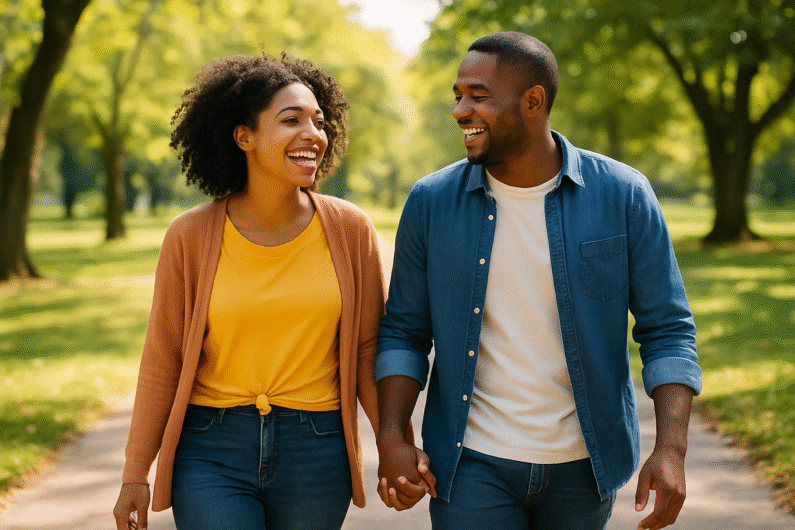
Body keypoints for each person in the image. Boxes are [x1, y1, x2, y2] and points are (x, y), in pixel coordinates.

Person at [374, 31, 702, 530]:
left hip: (583, 468)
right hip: (470, 464)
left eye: (479, 97)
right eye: (458, 96)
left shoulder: (623, 195)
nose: (462, 110)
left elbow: (668, 329)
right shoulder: (431, 202)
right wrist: (393, 440)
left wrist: (672, 449)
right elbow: (404, 330)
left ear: (533, 102)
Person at [113, 52, 392, 530]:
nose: (313, 134)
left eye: (319, 122)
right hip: (211, 448)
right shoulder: (191, 236)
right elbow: (164, 358)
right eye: (291, 120)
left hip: (317, 450)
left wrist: (394, 446)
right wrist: (135, 472)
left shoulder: (350, 230)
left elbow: (368, 349)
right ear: (244, 136)